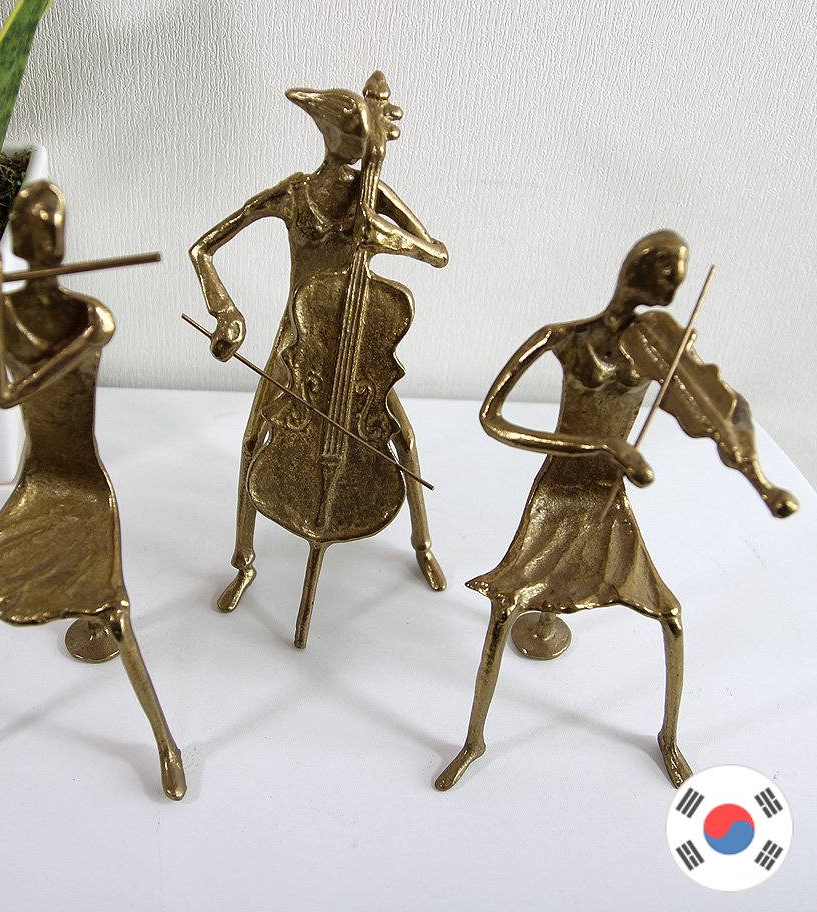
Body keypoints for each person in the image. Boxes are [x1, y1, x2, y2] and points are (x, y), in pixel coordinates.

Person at [435, 230, 797, 792]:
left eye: (678, 283)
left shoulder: (656, 346)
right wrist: (603, 446)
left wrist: (757, 476)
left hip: (610, 499)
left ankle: (669, 739)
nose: (671, 291)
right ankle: (473, 742)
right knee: (504, 611)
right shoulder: (562, 338)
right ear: (638, 272)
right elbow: (492, 419)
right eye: (667, 278)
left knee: (670, 616)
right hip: (560, 493)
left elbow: (712, 411)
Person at [0, 181, 185, 800]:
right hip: (38, 487)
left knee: (117, 618)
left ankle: (166, 744)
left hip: (81, 488)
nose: (48, 236)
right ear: (20, 240)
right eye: (36, 225)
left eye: (54, 224)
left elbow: (6, 394)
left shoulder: (90, 320)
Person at [190, 73, 449, 619]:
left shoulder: (371, 196)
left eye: (369, 138)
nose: (366, 146)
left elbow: (437, 252)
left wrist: (391, 240)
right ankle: (244, 562)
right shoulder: (292, 194)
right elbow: (204, 247)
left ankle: (422, 545)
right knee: (253, 440)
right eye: (356, 135)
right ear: (327, 133)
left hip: (358, 344)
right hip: (297, 340)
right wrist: (225, 311)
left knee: (402, 438)